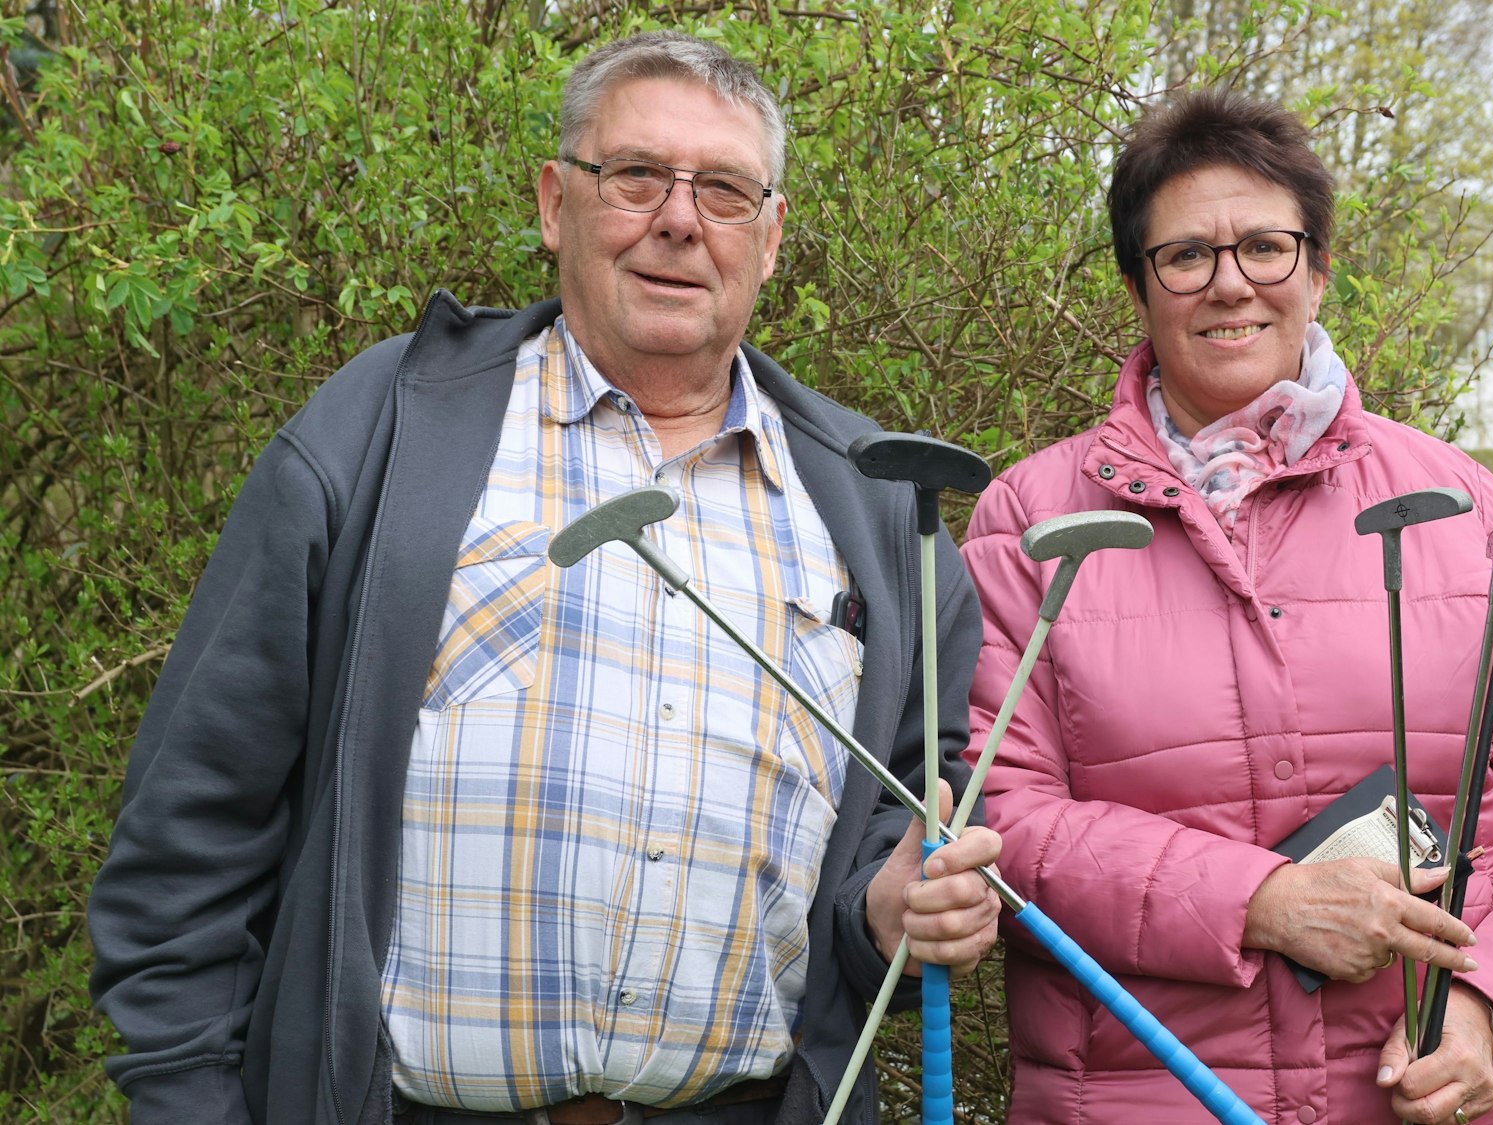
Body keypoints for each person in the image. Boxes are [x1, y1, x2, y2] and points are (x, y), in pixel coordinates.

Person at [88, 31, 1001, 1125]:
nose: (676, 219)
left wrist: (890, 917)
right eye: (633, 176)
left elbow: (883, 867)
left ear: (769, 237)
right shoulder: (380, 432)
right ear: (553, 203)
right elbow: (190, 831)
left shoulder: (883, 515)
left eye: (720, 190)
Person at [959, 89, 1493, 1125]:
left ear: (1318, 270)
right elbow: (994, 821)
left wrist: (1485, 1008)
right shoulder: (1032, 523)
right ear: (1138, 288)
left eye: (1265, 247)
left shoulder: (1464, 512)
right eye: (1185, 254)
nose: (1228, 282)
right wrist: (1259, 904)